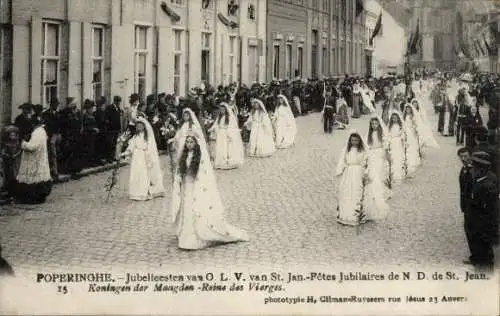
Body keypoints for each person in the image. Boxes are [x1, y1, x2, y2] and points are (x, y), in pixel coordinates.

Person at [170, 128, 249, 250]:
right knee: (186, 210)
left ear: (196, 143)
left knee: (195, 210)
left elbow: (204, 174)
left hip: (195, 187)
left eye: (191, 142)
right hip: (186, 187)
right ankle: (186, 235)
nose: (189, 144)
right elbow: (180, 171)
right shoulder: (184, 156)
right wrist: (179, 178)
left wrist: (197, 184)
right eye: (187, 142)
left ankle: (195, 237)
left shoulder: (200, 158)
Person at [464, 151, 498, 268]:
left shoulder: (487, 186)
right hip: (476, 231)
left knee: (484, 263)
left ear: (481, 169)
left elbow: (490, 212)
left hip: (481, 233)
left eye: (473, 168)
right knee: (480, 261)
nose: (471, 170)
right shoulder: (479, 182)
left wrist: (484, 235)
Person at [120, 117, 165, 201]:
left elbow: (151, 148)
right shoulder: (135, 137)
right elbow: (131, 146)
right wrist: (126, 152)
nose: (139, 128)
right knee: (136, 174)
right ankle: (135, 192)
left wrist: (149, 158)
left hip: (144, 157)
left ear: (144, 127)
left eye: (140, 126)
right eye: (137, 126)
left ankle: (144, 191)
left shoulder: (148, 137)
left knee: (143, 174)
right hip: (136, 157)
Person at [14, 116, 52, 204]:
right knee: (39, 178)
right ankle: (39, 196)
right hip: (39, 159)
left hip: (34, 160)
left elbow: (32, 146)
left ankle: (33, 197)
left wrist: (23, 143)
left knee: (34, 179)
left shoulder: (37, 133)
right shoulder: (42, 131)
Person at [335, 130, 369, 226]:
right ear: (350, 141)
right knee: (346, 191)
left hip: (358, 172)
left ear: (359, 141)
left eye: (356, 141)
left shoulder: (362, 151)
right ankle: (345, 214)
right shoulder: (347, 150)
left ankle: (356, 214)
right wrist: (340, 170)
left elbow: (366, 161)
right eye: (352, 140)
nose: (354, 142)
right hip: (348, 173)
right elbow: (342, 160)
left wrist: (365, 171)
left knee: (356, 191)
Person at [364, 116, 391, 221]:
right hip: (372, 154)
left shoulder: (382, 134)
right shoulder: (369, 134)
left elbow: (385, 142)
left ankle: (379, 190)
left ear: (379, 124)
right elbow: (367, 145)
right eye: (372, 124)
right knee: (372, 172)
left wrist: (385, 150)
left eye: (375, 124)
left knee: (378, 172)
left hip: (379, 153)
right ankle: (373, 190)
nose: (374, 126)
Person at [211, 103, 244, 170]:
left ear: (226, 110)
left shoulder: (229, 117)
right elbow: (216, 124)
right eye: (221, 109)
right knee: (221, 147)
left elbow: (231, 126)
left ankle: (227, 161)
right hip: (220, 134)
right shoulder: (219, 117)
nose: (222, 110)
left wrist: (229, 134)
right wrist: (212, 128)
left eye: (223, 109)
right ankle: (221, 162)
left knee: (226, 147)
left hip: (226, 134)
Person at [387, 111, 407, 183]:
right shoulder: (390, 126)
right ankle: (393, 173)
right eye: (393, 118)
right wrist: (389, 141)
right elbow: (388, 134)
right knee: (393, 157)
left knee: (399, 157)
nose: (394, 119)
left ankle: (399, 172)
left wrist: (402, 138)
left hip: (398, 142)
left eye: (395, 118)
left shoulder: (400, 126)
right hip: (392, 142)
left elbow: (403, 134)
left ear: (398, 118)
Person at [403, 104, 422, 177]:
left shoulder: (412, 117)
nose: (408, 111)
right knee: (407, 146)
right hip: (406, 131)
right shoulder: (404, 117)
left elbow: (415, 125)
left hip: (411, 131)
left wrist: (414, 130)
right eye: (406, 109)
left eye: (409, 109)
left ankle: (413, 160)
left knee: (412, 146)